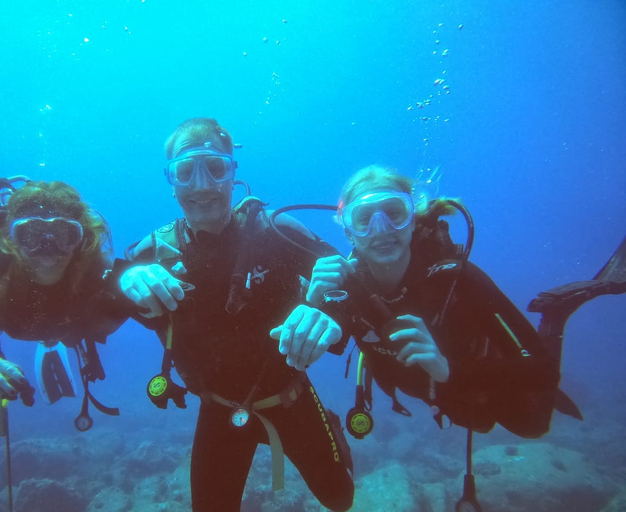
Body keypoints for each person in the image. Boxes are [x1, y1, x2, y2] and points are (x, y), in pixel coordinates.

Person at [118, 118, 354, 512]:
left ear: (232, 172)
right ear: (170, 180)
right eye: (184, 171)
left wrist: (330, 317)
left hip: (291, 397)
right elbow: (102, 285)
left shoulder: (275, 230)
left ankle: (327, 424)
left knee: (340, 500)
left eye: (214, 167)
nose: (201, 185)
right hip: (219, 408)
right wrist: (125, 278)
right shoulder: (156, 251)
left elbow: (348, 279)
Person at [306, 165, 560, 439]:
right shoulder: (348, 288)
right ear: (349, 232)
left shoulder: (457, 280)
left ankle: (557, 314)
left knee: (532, 426)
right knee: (479, 420)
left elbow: (544, 371)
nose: (381, 230)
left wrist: (449, 369)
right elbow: (314, 349)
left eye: (394, 213)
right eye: (364, 219)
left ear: (413, 220)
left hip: (471, 377)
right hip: (432, 391)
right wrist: (312, 304)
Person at [0, 180, 128, 410]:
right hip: (24, 323)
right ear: (11, 239)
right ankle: (53, 340)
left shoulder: (95, 269)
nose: (47, 248)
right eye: (31, 235)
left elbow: (131, 285)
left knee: (94, 322)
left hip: (74, 328)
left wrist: (139, 275)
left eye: (62, 234)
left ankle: (59, 340)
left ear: (79, 239)